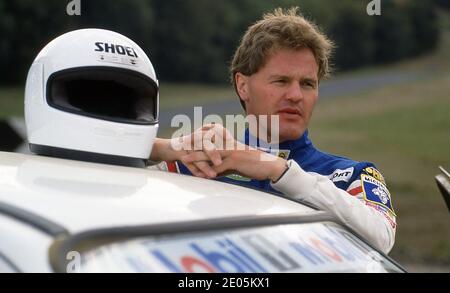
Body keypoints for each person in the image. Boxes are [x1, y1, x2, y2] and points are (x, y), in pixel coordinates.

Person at [150, 7, 396, 254]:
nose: (296, 95)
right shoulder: (201, 163)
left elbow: (382, 237)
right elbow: (115, 180)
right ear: (243, 86)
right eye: (281, 81)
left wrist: (279, 171)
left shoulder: (351, 175)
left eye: (308, 84)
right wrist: (167, 148)